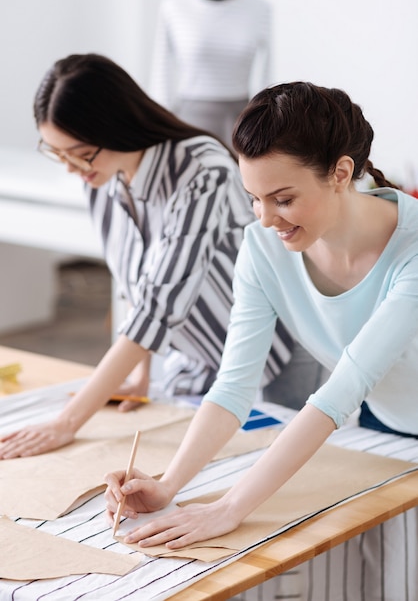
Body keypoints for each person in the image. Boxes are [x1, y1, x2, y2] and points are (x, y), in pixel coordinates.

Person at [104, 81, 418, 600]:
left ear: (341, 173)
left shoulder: (411, 251)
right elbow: (233, 386)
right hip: (387, 429)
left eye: (283, 198)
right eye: (253, 198)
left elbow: (342, 390)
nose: (265, 218)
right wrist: (169, 484)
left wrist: (230, 508)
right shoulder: (263, 248)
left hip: (372, 411)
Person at [0, 55, 321, 460]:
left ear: (115, 126)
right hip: (200, 359)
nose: (72, 168)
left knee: (298, 472)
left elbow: (159, 305)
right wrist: (140, 374)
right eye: (58, 153)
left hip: (279, 348)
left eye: (80, 153)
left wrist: (67, 422)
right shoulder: (101, 173)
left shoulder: (200, 170)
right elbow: (137, 281)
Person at [149, 0, 272, 146]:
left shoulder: (259, 9)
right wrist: (160, 123)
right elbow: (161, 70)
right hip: (189, 120)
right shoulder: (173, 6)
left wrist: (264, 118)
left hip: (241, 121)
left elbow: (265, 73)